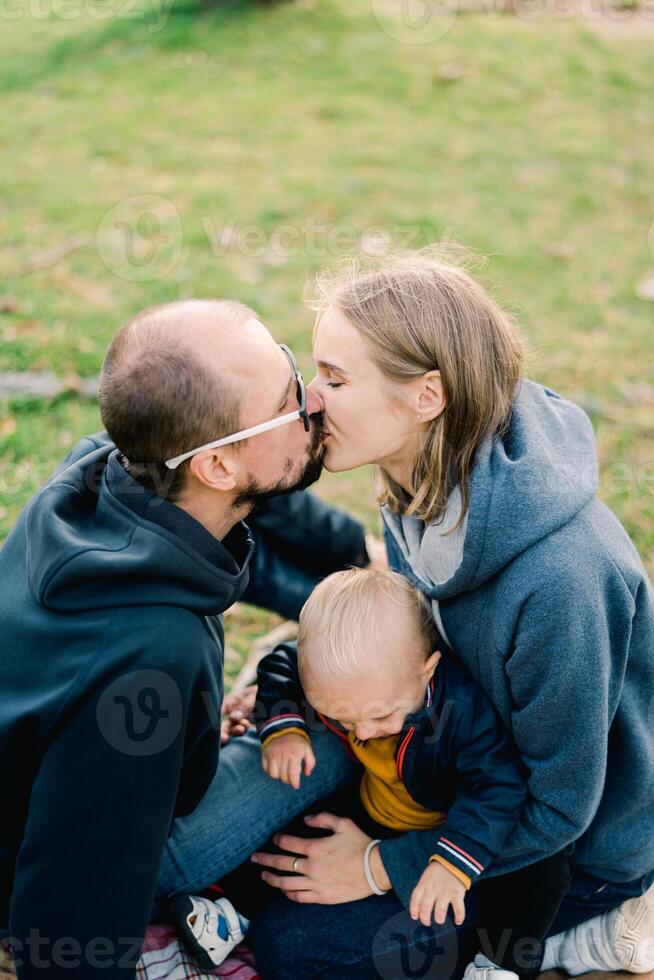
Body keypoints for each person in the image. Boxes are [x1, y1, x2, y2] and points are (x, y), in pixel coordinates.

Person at [154, 253, 654, 980]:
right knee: (241, 856)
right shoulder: (413, 477)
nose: (311, 400)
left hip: (561, 850)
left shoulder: (562, 580)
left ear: (426, 397)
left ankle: (587, 937)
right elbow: (399, 627)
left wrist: (380, 865)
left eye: (335, 378)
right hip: (425, 752)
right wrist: (307, 687)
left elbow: (561, 805)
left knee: (299, 946)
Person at [0, 298, 371, 980]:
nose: (312, 401)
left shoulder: (102, 470)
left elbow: (261, 511)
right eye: (288, 401)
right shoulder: (151, 657)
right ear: (219, 467)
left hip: (52, 773)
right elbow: (78, 888)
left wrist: (356, 555)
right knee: (336, 735)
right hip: (70, 858)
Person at [174, 567, 571, 980]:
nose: (361, 732)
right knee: (299, 835)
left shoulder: (462, 715)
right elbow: (280, 664)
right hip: (375, 803)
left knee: (535, 880)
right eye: (341, 717)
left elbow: (496, 789)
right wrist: (282, 726)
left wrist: (449, 864)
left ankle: (498, 965)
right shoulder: (356, 686)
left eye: (380, 715)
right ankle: (233, 911)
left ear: (428, 669)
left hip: (449, 826)